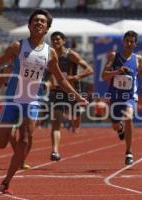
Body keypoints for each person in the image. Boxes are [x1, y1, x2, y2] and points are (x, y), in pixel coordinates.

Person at [0, 9, 88, 194]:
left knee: (25, 140)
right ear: (29, 25)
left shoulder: (50, 53)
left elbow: (60, 79)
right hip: (12, 100)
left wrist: (76, 95)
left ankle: (7, 180)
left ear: (47, 29)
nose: (38, 23)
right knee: (1, 143)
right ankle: (1, 129)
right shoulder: (17, 47)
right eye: (35, 20)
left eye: (42, 22)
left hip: (32, 101)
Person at [102, 30, 142, 165]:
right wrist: (117, 71)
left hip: (130, 96)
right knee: (115, 124)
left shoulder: (137, 58)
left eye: (132, 42)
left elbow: (141, 72)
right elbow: (104, 76)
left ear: (135, 44)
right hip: (115, 95)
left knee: (128, 117)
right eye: (127, 41)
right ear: (123, 41)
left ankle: (129, 152)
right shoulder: (114, 56)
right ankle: (120, 128)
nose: (129, 44)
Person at [47, 31, 93, 161]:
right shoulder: (49, 56)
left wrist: (75, 77)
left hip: (73, 91)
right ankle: (55, 151)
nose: (55, 42)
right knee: (56, 122)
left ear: (63, 41)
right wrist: (50, 83)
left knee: (76, 120)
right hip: (57, 92)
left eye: (57, 39)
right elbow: (49, 73)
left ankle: (75, 121)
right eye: (53, 40)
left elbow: (89, 69)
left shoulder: (71, 54)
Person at [0, 64, 32, 170]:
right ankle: (20, 159)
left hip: (25, 104)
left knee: (26, 135)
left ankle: (21, 160)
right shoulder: (8, 68)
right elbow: (0, 81)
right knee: (10, 136)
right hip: (10, 105)